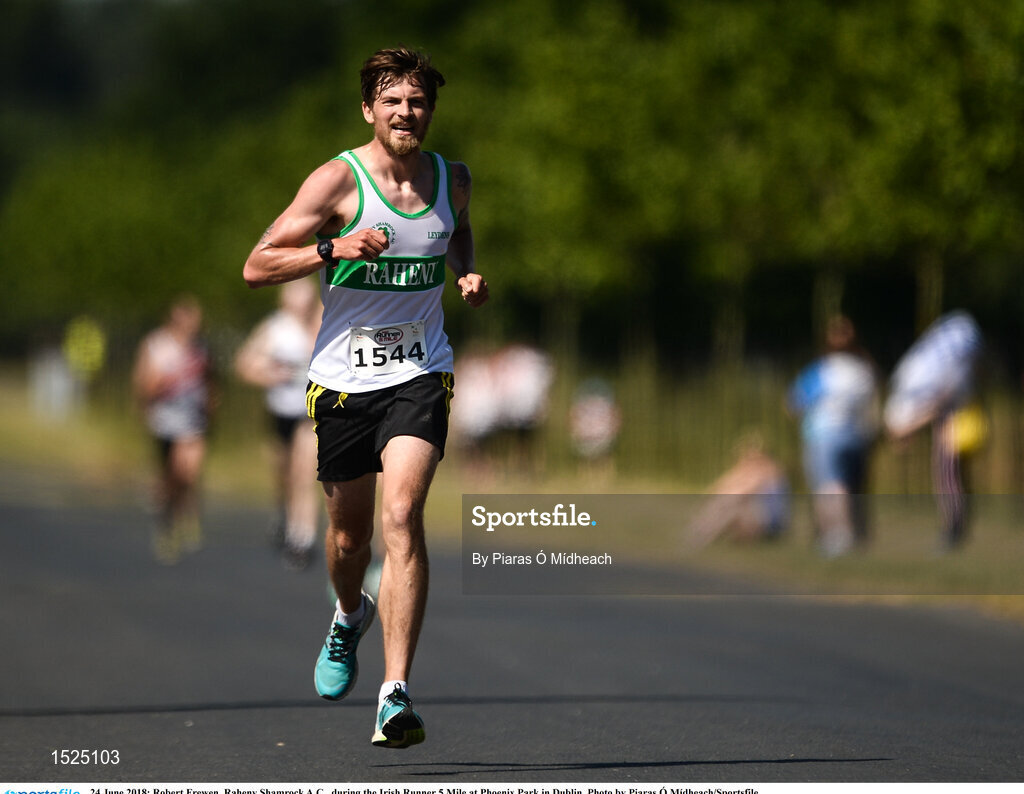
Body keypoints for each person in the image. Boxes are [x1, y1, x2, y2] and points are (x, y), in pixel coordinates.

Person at [242, 47, 488, 749]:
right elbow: (256, 265)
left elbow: (459, 233)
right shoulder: (335, 182)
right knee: (349, 538)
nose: (406, 113)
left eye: (417, 102)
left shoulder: (454, 180)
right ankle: (349, 616)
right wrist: (333, 249)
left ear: (430, 112)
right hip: (344, 383)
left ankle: (394, 693)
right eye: (392, 101)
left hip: (421, 372)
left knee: (402, 516)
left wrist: (466, 275)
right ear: (368, 111)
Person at [234, 277, 323, 570]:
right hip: (280, 412)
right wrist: (272, 374)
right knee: (284, 473)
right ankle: (284, 515)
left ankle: (303, 537)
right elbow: (244, 365)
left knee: (304, 473)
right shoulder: (275, 329)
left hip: (308, 414)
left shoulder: (324, 321)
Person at [884, 310, 985, 551]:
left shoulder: (905, 399)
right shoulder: (909, 378)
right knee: (955, 475)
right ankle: (956, 528)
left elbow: (936, 400)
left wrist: (912, 426)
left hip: (953, 413)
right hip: (959, 402)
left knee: (947, 474)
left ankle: (953, 531)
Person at [132, 295, 215, 564]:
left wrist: (212, 406)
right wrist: (165, 381)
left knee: (189, 470)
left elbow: (211, 382)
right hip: (165, 420)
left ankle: (189, 519)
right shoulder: (157, 345)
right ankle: (166, 521)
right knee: (169, 476)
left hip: (193, 423)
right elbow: (143, 386)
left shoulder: (201, 349)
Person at [788, 315, 879, 558]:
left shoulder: (822, 370)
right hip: (858, 436)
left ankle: (836, 535)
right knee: (854, 488)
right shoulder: (864, 369)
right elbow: (873, 404)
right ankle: (857, 535)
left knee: (829, 485)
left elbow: (795, 403)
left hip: (824, 435)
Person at [687, 431, 790, 548]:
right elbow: (725, 483)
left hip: (771, 526)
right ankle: (701, 533)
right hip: (759, 520)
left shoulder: (767, 470)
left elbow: (744, 490)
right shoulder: (752, 469)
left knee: (732, 507)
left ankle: (701, 536)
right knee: (726, 503)